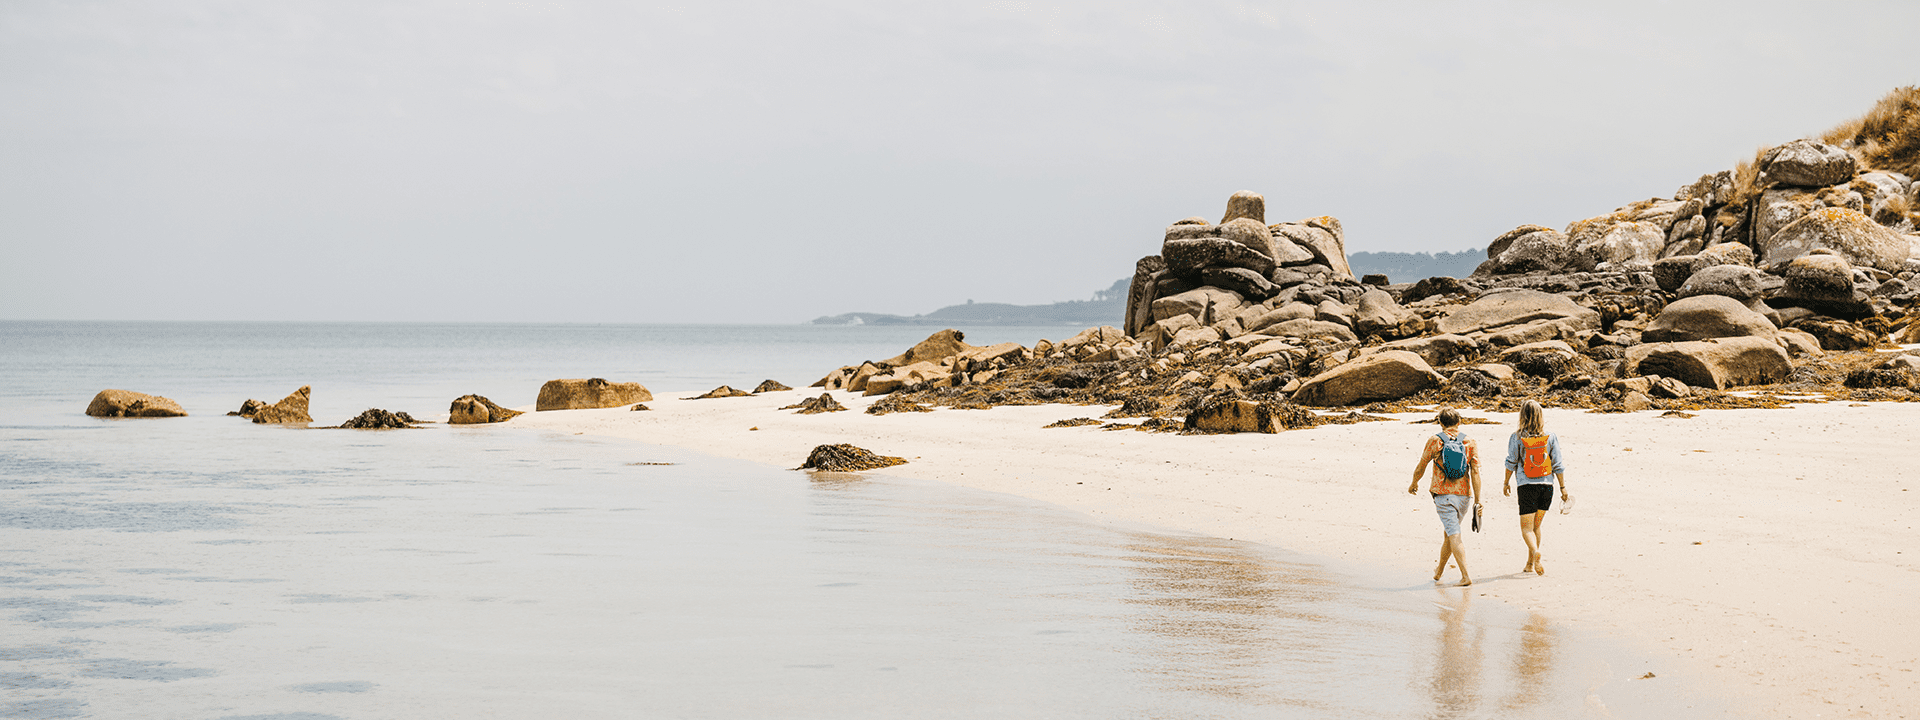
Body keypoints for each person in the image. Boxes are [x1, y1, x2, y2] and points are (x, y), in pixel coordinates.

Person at [1408, 407, 1481, 587]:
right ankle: (1439, 572)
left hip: (1443, 495)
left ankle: (1465, 576)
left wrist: (1414, 482)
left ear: (1440, 423)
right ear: (1459, 422)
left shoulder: (1435, 441)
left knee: (1454, 535)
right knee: (1449, 533)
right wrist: (1478, 500)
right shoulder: (1469, 442)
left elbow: (1422, 464)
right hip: (1464, 496)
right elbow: (1476, 472)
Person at [1503, 400, 1569, 575]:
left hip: (1527, 486)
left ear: (1522, 416)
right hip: (1547, 487)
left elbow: (1511, 461)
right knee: (1536, 527)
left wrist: (1506, 482)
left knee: (1526, 529)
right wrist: (1563, 488)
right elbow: (1558, 464)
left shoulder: (1517, 437)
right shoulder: (1550, 437)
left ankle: (1535, 552)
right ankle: (1530, 564)